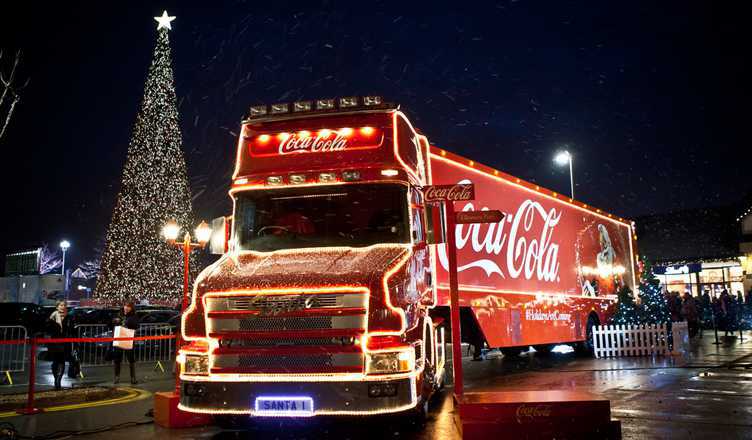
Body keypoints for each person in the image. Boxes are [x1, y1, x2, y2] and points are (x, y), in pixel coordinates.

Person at [46, 300, 74, 390]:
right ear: (57, 307)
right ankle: (56, 379)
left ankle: (58, 381)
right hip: (54, 342)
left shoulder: (69, 317)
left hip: (65, 342)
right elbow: (48, 329)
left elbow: (72, 330)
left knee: (61, 361)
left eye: (64, 305)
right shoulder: (52, 316)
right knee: (55, 362)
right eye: (61, 305)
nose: (63, 306)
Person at [112, 302, 139, 384]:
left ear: (131, 308)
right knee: (117, 359)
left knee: (131, 359)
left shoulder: (133, 316)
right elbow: (111, 323)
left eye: (128, 306)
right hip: (119, 338)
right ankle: (116, 378)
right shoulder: (120, 314)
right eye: (125, 306)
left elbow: (136, 325)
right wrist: (115, 321)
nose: (126, 308)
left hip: (128, 339)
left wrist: (127, 323)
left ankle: (133, 378)